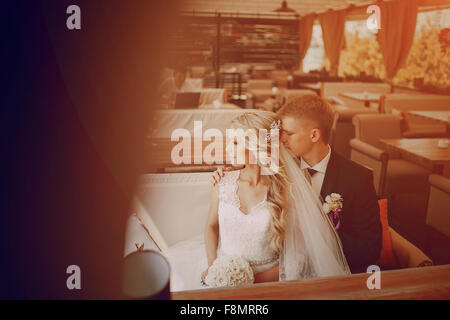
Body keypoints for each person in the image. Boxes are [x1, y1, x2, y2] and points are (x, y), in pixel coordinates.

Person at [164, 111, 350, 292]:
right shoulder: (222, 182)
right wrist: (214, 269)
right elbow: (211, 226)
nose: (228, 149)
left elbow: (298, 258)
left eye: (235, 142)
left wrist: (248, 282)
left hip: (268, 281)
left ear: (257, 146)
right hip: (221, 273)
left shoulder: (286, 191)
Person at [213, 95, 382, 274]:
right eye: (279, 134)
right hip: (279, 271)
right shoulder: (276, 171)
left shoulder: (357, 178)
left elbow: (369, 249)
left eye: (289, 134)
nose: (281, 140)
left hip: (333, 273)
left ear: (314, 135)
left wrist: (317, 232)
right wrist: (226, 173)